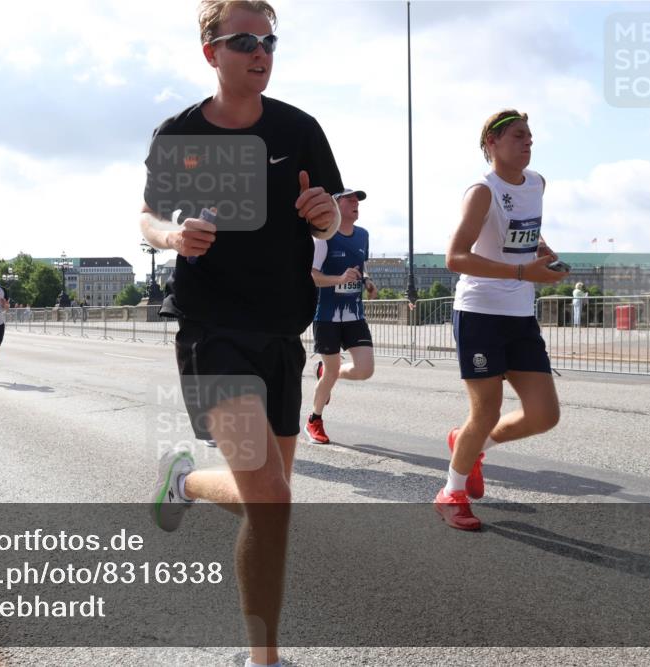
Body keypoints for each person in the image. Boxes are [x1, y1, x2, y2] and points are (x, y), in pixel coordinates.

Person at [141, 3, 343, 665]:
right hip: (213, 330)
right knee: (273, 494)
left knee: (270, 500)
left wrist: (324, 216)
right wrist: (171, 234)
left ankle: (188, 483)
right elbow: (147, 214)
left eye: (269, 40)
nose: (261, 51)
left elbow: (332, 215)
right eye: (245, 40)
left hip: (284, 333)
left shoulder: (300, 128)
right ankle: (263, 658)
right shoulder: (181, 133)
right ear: (211, 52)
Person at [440, 109, 568, 531]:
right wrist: (520, 272)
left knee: (544, 414)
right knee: (487, 410)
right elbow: (455, 257)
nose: (528, 142)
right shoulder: (483, 191)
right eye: (518, 136)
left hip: (519, 315)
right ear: (491, 144)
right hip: (480, 313)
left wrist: (545, 256)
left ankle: (472, 447)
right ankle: (451, 491)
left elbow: (527, 232)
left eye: (530, 136)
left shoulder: (536, 184)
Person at [306, 187, 378, 444]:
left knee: (365, 370)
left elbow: (361, 267)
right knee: (332, 374)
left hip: (354, 315)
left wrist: (367, 281)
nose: (356, 203)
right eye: (349, 199)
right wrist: (339, 278)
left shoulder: (363, 235)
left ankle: (326, 370)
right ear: (336, 205)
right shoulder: (323, 238)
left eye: (358, 199)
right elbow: (311, 276)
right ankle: (315, 418)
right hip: (326, 315)